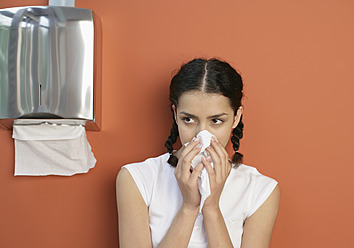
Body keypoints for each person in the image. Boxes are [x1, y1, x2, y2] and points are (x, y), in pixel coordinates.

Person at [116, 58, 280, 248]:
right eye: (189, 119)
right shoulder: (137, 179)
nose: (202, 135)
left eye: (216, 121)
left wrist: (211, 208)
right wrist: (188, 208)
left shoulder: (261, 190)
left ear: (236, 118)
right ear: (175, 114)